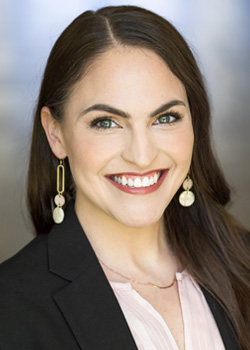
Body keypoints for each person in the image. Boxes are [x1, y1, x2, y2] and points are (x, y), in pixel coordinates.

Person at [0, 5, 249, 350]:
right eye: (106, 122)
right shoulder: (10, 309)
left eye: (165, 118)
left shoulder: (243, 265)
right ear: (55, 133)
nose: (142, 156)